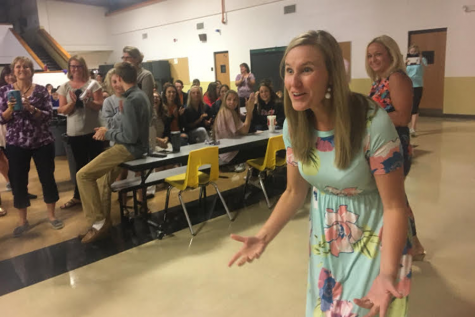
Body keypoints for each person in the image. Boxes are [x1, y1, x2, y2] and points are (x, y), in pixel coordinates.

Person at [229, 31, 412, 317]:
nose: (294, 82)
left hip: (377, 235)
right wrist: (263, 237)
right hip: (328, 240)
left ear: (331, 74)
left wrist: (387, 273)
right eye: (289, 71)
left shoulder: (371, 122)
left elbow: (395, 205)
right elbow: (293, 191)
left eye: (307, 70)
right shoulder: (295, 126)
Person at [76, 62, 151, 243]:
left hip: (127, 148)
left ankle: (98, 222)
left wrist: (107, 133)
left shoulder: (129, 100)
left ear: (121, 78)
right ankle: (101, 225)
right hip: (134, 147)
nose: (115, 84)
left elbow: (130, 136)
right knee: (102, 180)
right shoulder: (141, 95)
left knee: (83, 175)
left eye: (116, 79)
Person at [367, 35, 426, 261]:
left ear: (391, 54)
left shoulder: (397, 77)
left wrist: (369, 118)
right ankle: (412, 244)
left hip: (395, 146)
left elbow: (402, 116)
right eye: (370, 56)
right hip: (382, 145)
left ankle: (407, 246)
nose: (373, 59)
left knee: (394, 198)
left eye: (378, 54)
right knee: (395, 197)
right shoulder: (379, 80)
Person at [0, 56, 64, 236]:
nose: (22, 69)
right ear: (14, 71)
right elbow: (1, 118)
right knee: (19, 182)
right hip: (16, 143)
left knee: (47, 178)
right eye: (18, 67)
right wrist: (10, 109)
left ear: (31, 70)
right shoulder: (5, 91)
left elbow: (48, 117)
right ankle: (22, 220)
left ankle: (51, 216)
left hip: (42, 141)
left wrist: (30, 108)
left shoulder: (41, 91)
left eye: (26, 67)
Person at [58, 56, 104, 210]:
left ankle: (98, 196)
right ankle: (78, 197)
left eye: (78, 66)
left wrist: (88, 101)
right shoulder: (65, 87)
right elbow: (62, 110)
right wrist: (72, 103)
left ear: (84, 67)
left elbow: (98, 106)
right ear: (69, 68)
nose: (75, 69)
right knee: (80, 167)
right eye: (72, 66)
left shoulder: (93, 85)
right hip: (75, 133)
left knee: (96, 165)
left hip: (93, 131)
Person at [214, 90, 254, 170]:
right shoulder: (227, 112)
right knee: (260, 148)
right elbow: (244, 131)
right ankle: (255, 176)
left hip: (226, 151)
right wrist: (249, 111)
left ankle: (254, 175)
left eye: (235, 100)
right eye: (229, 99)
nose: (232, 102)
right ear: (225, 100)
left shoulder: (226, 111)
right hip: (230, 154)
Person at [406, 44, 427, 137]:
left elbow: (425, 66)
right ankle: (404, 126)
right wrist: (405, 63)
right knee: (406, 106)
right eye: (411, 51)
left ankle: (413, 128)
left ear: (418, 52)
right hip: (407, 85)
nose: (413, 53)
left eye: (414, 51)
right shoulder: (407, 61)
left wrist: (421, 60)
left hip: (418, 85)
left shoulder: (422, 59)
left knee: (415, 105)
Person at [102, 68, 124, 145]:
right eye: (114, 82)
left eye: (120, 81)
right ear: (111, 84)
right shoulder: (108, 102)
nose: (118, 84)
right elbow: (108, 125)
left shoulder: (133, 98)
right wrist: (121, 113)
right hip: (117, 143)